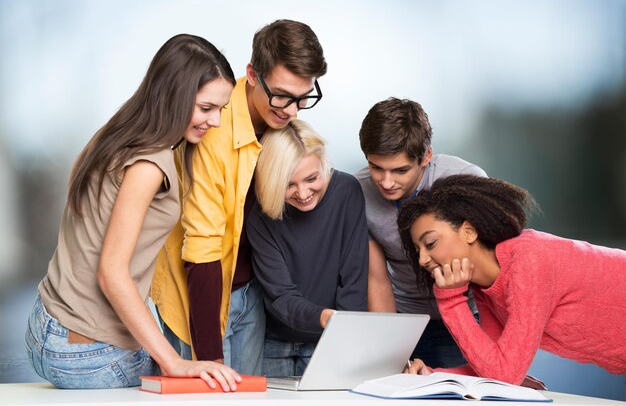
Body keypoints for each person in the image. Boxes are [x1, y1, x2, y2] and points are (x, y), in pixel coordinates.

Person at [24, 34, 242, 389]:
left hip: (45, 327)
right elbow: (111, 272)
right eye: (206, 108)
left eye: (222, 109)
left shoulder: (117, 134)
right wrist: (173, 362)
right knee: (205, 384)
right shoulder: (150, 163)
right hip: (84, 351)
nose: (215, 121)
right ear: (173, 96)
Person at [151, 19, 327, 375]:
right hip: (198, 294)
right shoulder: (212, 132)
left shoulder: (284, 123)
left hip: (250, 291)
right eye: (281, 95)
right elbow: (201, 249)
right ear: (251, 73)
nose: (291, 111)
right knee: (207, 395)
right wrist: (209, 358)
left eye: (302, 98)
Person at [399, 174, 626, 384]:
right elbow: (491, 366)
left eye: (430, 244)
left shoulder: (528, 260)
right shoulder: (485, 287)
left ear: (469, 231)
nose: (422, 260)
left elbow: (504, 374)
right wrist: (432, 375)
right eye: (418, 251)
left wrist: (450, 301)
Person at [354, 98, 486, 368]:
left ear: (426, 156)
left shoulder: (466, 181)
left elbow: (498, 266)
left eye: (400, 170)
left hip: (468, 315)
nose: (387, 182)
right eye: (376, 167)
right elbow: (376, 278)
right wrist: (391, 350)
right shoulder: (359, 193)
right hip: (406, 321)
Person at [245, 120, 368, 377]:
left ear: (324, 162)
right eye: (288, 184)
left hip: (330, 341)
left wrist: (342, 334)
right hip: (273, 343)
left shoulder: (347, 192)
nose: (303, 193)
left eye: (312, 178)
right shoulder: (260, 215)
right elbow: (280, 295)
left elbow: (354, 281)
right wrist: (324, 317)